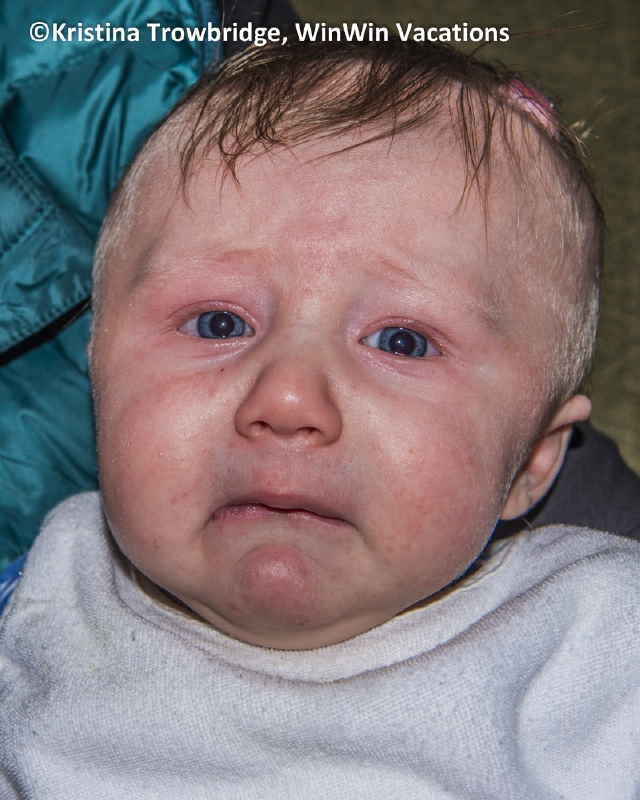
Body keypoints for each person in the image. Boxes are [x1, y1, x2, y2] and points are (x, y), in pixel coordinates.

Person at [1, 40, 639, 798]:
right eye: (217, 324)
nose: (288, 399)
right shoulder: (39, 604)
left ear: (533, 461)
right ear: (100, 377)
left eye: (401, 341)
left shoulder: (596, 641)